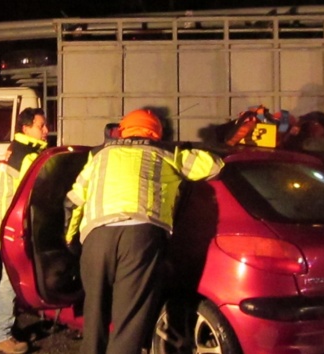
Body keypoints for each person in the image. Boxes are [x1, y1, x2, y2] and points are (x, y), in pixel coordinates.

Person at [63, 109, 225, 354]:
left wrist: (71, 240)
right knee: (129, 323)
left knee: (94, 316)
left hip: (95, 239)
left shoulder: (99, 155)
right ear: (156, 131)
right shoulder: (169, 153)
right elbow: (214, 166)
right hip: (139, 239)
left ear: (123, 129)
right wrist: (186, 148)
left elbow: (73, 200)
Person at [0, 107, 48, 354]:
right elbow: (36, 196)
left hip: (5, 226)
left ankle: (3, 330)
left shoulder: (16, 149)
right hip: (16, 229)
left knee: (11, 279)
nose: (46, 130)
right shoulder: (28, 157)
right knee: (10, 281)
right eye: (41, 126)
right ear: (26, 128)